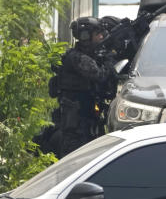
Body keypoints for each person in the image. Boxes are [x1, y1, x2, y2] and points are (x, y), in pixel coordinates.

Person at [38, 17, 116, 156]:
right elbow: (100, 75)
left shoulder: (87, 56)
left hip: (84, 124)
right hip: (76, 130)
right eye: (97, 33)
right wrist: (110, 61)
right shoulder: (77, 58)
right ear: (86, 36)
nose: (101, 36)